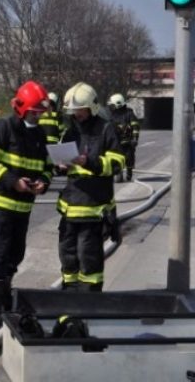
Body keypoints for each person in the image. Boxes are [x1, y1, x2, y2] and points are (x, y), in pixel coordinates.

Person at [0, 80, 52, 321]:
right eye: (33, 112)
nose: (37, 117)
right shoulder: (2, 128)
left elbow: (46, 166)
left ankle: (4, 296)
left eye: (40, 113)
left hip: (23, 206)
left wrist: (43, 182)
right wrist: (13, 181)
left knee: (15, 253)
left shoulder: (39, 134)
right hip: (0, 202)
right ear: (20, 107)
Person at [57, 82, 124, 292]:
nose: (76, 115)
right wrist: (60, 166)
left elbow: (117, 163)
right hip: (69, 208)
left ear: (92, 107)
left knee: (89, 261)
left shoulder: (106, 129)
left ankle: (89, 302)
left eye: (80, 110)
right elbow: (66, 165)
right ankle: (68, 298)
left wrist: (89, 162)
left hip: (93, 209)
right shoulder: (70, 132)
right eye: (73, 111)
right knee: (68, 258)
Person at [107, 93, 140, 182]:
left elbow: (135, 126)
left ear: (118, 104)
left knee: (129, 157)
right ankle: (117, 172)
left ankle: (129, 172)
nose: (111, 107)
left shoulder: (129, 113)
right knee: (113, 157)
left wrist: (135, 139)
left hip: (127, 141)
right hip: (115, 141)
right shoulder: (112, 115)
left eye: (113, 105)